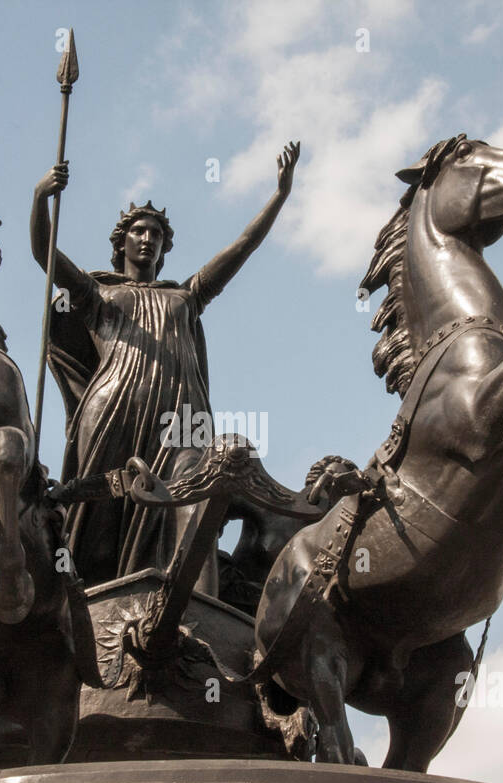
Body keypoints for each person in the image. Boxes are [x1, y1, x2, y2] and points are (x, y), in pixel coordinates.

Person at [30, 142, 300, 587]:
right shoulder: (98, 296)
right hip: (114, 411)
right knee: (99, 525)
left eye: (156, 234)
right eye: (139, 230)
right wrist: (41, 197)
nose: (148, 238)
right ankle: (91, 603)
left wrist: (279, 195)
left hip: (182, 416)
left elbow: (243, 246)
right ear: (122, 242)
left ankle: (200, 614)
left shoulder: (186, 296)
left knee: (197, 501)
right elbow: (45, 253)